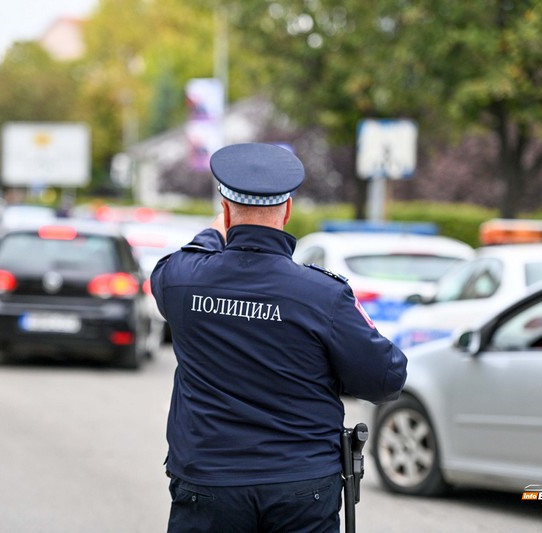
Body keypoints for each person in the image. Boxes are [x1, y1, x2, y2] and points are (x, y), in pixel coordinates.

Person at [150, 143, 408, 533]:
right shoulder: (323, 295)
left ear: (224, 210)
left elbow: (175, 264)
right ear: (287, 210)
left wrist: (214, 234)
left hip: (208, 483)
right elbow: (387, 378)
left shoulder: (182, 280)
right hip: (300, 488)